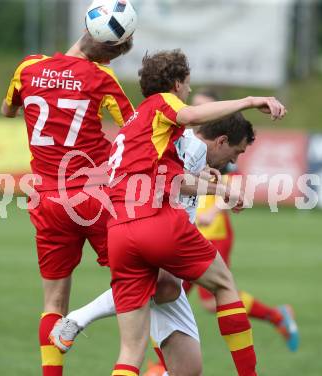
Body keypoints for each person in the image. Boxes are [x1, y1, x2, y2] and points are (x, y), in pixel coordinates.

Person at [106, 49, 287, 376]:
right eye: (187, 85)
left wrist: (216, 188)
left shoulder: (136, 124)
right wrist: (248, 101)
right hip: (155, 222)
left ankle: (79, 320)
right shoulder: (164, 103)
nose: (189, 92)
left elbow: (166, 178)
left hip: (118, 232)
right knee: (224, 285)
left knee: (132, 352)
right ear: (176, 84)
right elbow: (190, 117)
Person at [50, 112, 256, 376]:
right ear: (221, 141)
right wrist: (221, 190)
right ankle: (79, 317)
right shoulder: (190, 146)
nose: (233, 161)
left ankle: (79, 318)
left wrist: (207, 180)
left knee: (187, 368)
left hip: (137, 230)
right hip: (153, 230)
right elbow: (174, 182)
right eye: (236, 153)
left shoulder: (186, 147)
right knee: (183, 283)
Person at [1, 31, 135, 376]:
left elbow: (7, 110)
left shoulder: (28, 67)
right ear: (112, 52)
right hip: (95, 196)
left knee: (52, 303)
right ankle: (154, 368)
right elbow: (136, 131)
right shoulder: (101, 77)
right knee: (143, 285)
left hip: (46, 198)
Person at [184, 89, 300, 352]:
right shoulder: (191, 138)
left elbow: (235, 184)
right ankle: (160, 365)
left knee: (203, 299)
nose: (197, 108)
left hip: (212, 233)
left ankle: (276, 315)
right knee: (170, 292)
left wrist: (214, 211)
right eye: (196, 104)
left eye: (204, 105)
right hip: (188, 228)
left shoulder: (219, 143)